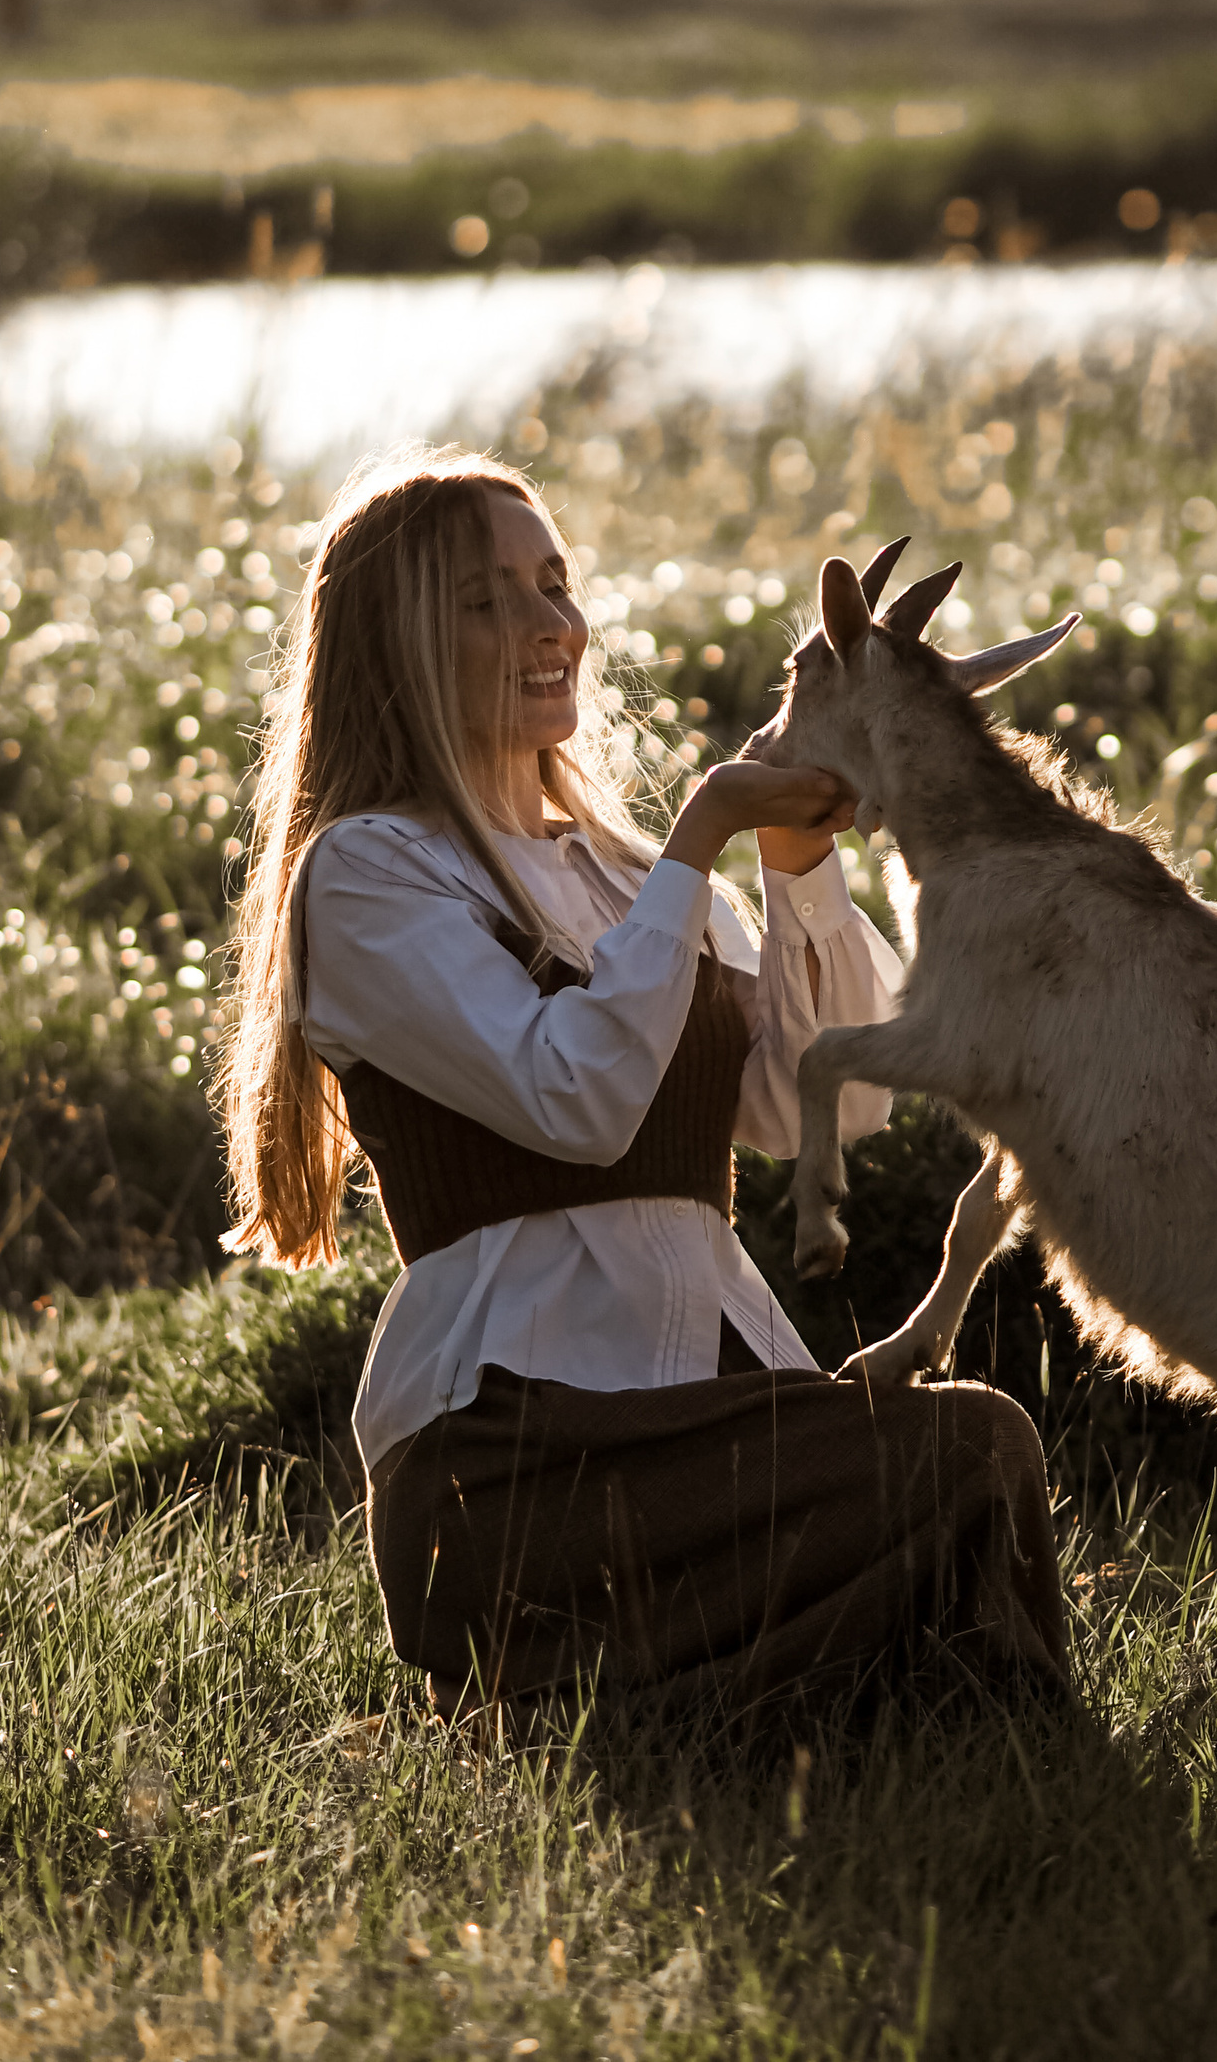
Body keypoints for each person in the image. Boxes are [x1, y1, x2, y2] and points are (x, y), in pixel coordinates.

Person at [214, 450, 1067, 1711]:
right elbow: (578, 1101)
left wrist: (791, 864)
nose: (548, 625)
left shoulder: (623, 869)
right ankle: (680, 1710)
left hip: (711, 1409)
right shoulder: (370, 872)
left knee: (968, 1458)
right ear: (398, 642)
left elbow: (809, 1103)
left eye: (554, 584)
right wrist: (701, 833)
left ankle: (820, 1740)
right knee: (969, 1462)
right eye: (486, 597)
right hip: (508, 1458)